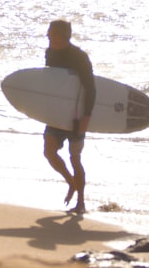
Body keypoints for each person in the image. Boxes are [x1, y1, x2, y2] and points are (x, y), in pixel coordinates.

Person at [42, 19, 96, 213]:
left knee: (75, 157)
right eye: (48, 33)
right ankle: (71, 182)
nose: (48, 36)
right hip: (57, 112)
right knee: (49, 152)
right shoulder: (50, 53)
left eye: (51, 33)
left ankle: (80, 203)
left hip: (76, 113)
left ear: (62, 35)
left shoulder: (79, 57)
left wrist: (86, 118)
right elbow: (51, 83)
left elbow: (90, 88)